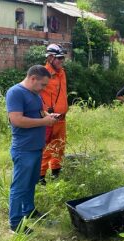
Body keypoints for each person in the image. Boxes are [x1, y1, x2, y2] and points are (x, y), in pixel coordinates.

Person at [6, 65, 59, 232]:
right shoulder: (15, 92)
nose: (44, 88)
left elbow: (39, 112)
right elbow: (17, 120)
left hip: (36, 147)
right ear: (33, 78)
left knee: (30, 183)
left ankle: (29, 211)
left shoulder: (35, 94)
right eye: (43, 85)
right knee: (20, 186)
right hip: (24, 149)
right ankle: (15, 224)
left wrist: (48, 116)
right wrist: (44, 122)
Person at [39, 44, 68, 184]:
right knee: (46, 149)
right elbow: (35, 95)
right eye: (59, 58)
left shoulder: (62, 72)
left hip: (61, 118)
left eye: (62, 58)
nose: (61, 61)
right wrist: (44, 113)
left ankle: (56, 172)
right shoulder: (42, 73)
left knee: (59, 146)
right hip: (48, 119)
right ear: (50, 57)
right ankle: (41, 177)